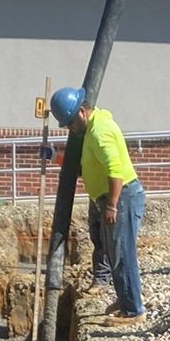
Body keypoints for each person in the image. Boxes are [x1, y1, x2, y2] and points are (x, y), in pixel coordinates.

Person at [50, 87, 145, 321]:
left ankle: (133, 310)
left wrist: (112, 205)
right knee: (113, 251)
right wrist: (54, 158)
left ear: (82, 112)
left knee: (122, 253)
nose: (71, 128)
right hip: (110, 197)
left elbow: (116, 172)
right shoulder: (92, 130)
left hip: (121, 198)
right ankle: (126, 300)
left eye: (71, 123)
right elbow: (85, 169)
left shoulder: (99, 132)